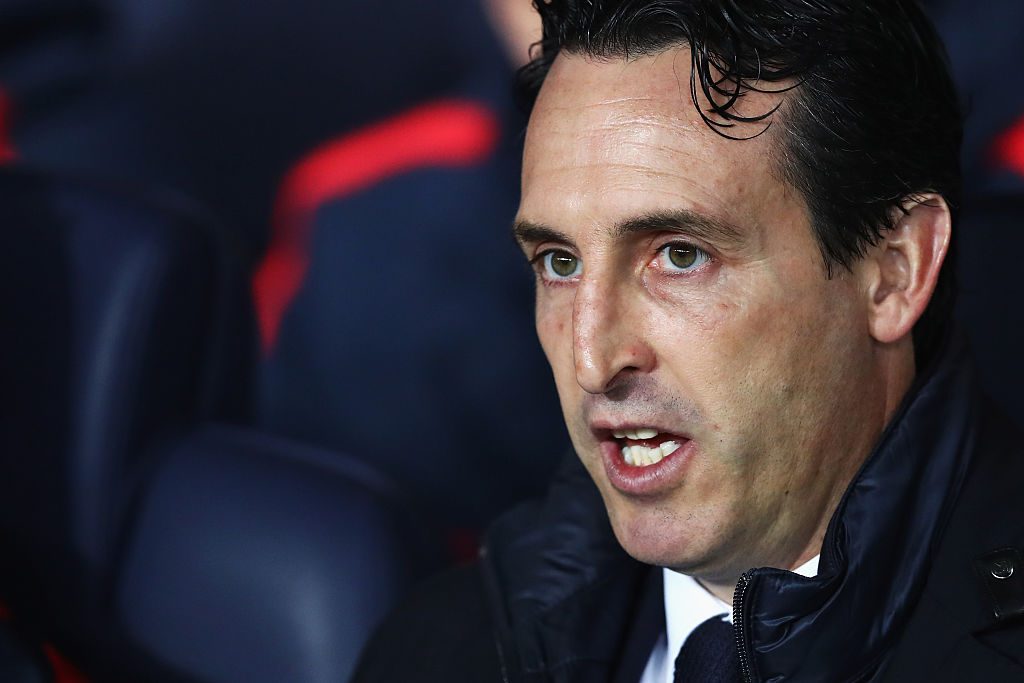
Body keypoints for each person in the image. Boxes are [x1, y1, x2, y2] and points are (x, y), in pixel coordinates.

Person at [352, 1, 1024, 681]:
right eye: (559, 262)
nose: (593, 359)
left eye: (679, 255)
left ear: (894, 271)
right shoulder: (433, 650)